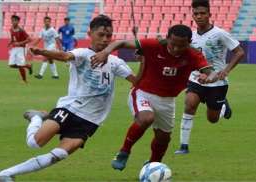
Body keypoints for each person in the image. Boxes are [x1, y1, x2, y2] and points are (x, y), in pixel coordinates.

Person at [0, 15, 138, 182]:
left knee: (58, 155)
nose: (105, 40)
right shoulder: (82, 54)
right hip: (70, 109)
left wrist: (144, 60)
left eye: (109, 36)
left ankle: (4, 175)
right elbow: (65, 56)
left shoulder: (115, 62)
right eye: (101, 35)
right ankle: (36, 117)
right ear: (90, 33)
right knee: (35, 143)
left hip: (91, 121)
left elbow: (137, 82)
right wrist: (42, 51)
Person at [91, 24, 218, 171]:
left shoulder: (193, 54)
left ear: (189, 42)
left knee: (163, 138)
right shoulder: (153, 45)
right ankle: (124, 151)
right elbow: (121, 42)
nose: (176, 49)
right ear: (167, 39)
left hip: (168, 100)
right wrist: (106, 52)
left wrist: (208, 78)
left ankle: (153, 165)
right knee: (146, 118)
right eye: (173, 44)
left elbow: (212, 72)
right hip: (143, 92)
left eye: (181, 46)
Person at [174, 0, 245, 154]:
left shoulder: (220, 34)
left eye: (202, 13)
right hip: (196, 79)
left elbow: (239, 52)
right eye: (196, 14)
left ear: (209, 14)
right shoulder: (190, 36)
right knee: (189, 104)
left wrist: (225, 71)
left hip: (217, 82)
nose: (199, 16)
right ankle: (183, 146)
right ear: (192, 15)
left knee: (212, 119)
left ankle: (223, 106)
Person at [8, 15, 32, 83]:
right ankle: (28, 66)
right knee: (11, 65)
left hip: (22, 48)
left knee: (20, 65)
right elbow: (13, 38)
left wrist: (20, 43)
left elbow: (30, 39)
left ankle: (24, 80)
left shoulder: (21, 30)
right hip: (14, 48)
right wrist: (11, 42)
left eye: (15, 20)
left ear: (18, 21)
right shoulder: (11, 29)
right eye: (12, 20)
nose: (13, 22)